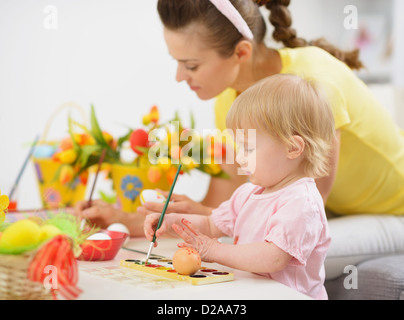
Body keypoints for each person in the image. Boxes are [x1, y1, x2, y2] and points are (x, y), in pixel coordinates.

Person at [74, 0, 404, 235]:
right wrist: (127, 220)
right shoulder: (231, 101)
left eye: (190, 65)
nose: (179, 77)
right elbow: (221, 202)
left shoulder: (312, 84)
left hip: (390, 211)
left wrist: (213, 221)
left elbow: (303, 216)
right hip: (335, 211)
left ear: (241, 52)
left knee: (280, 252)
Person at [144, 74, 335, 300]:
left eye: (249, 148)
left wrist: (215, 251)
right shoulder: (248, 193)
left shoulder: (301, 202)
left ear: (292, 148)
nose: (241, 158)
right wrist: (172, 222)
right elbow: (210, 224)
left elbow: (273, 257)